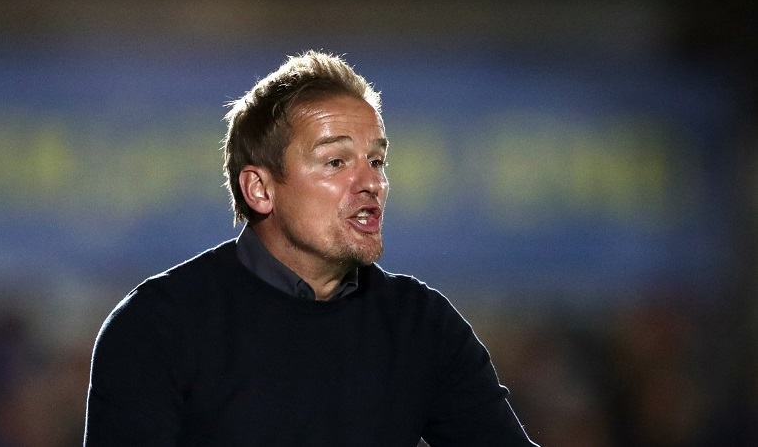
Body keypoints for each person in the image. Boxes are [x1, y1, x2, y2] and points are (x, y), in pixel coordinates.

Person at [84, 50, 538, 446]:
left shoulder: (420, 327)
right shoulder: (157, 326)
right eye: (336, 161)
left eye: (377, 161)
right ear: (260, 189)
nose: (371, 182)